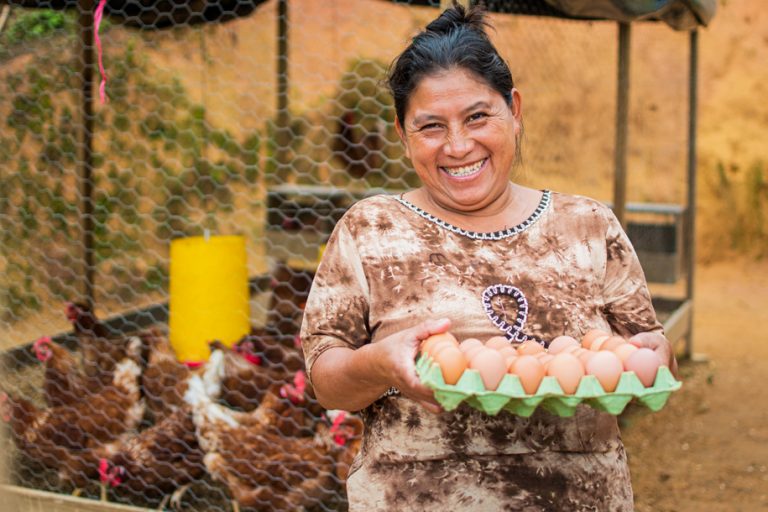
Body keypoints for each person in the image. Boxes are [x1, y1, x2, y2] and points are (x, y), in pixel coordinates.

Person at [300, 4, 677, 511]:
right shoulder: (372, 229)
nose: (458, 146)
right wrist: (379, 366)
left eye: (478, 116)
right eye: (431, 126)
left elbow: (637, 359)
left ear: (514, 111)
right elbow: (327, 381)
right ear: (401, 133)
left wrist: (656, 354)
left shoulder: (587, 226)